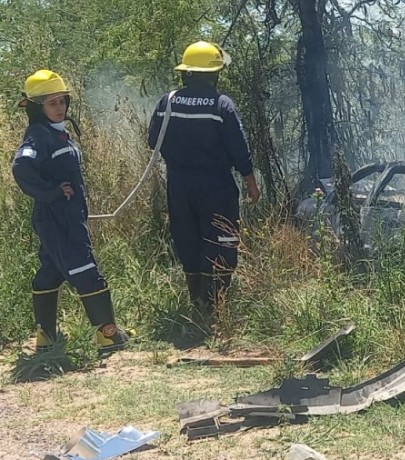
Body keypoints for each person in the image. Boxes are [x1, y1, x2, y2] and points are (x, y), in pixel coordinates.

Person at [12, 69, 129, 355]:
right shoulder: (39, 136)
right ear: (38, 108)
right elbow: (21, 167)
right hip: (59, 219)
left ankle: (45, 337)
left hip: (61, 217)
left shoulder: (56, 133)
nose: (60, 107)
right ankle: (107, 335)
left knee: (50, 273)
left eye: (62, 101)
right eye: (52, 103)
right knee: (85, 269)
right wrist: (52, 192)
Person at [147, 41, 260, 323]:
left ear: (186, 73)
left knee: (188, 239)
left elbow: (153, 140)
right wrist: (250, 181)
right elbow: (238, 147)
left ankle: (197, 304)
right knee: (222, 238)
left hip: (179, 185)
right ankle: (216, 307)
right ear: (214, 74)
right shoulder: (221, 104)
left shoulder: (167, 101)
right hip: (215, 186)